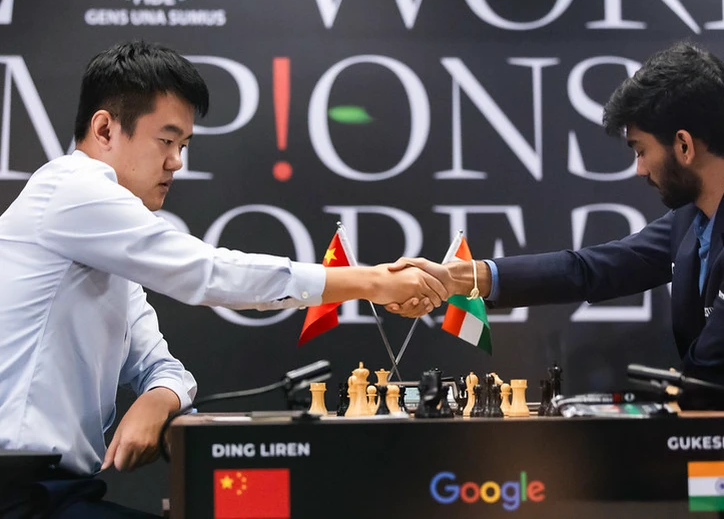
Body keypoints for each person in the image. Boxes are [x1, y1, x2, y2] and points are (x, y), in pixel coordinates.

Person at [0, 41, 447, 518]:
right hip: (19, 492)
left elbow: (163, 366)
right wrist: (372, 282)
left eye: (183, 145)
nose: (177, 161)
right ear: (105, 128)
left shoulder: (105, 246)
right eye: (166, 141)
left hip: (59, 489)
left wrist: (160, 398)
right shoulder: (71, 188)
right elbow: (210, 273)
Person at [388, 41, 724, 418]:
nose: (640, 169)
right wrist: (461, 278)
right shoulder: (701, 212)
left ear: (684, 145)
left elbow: (709, 383)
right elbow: (592, 269)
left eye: (641, 150)